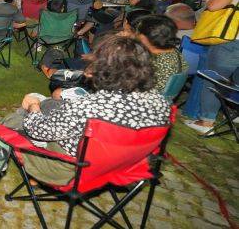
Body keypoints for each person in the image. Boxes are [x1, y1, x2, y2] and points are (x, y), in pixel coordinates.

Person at [16, 35, 170, 185]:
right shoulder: (161, 104)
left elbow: (37, 130)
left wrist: (33, 105)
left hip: (71, 168)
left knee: (20, 116)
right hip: (125, 166)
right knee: (54, 104)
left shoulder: (89, 106)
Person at [185, 0, 239, 133]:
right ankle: (236, 113)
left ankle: (206, 122)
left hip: (232, 39)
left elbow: (215, 5)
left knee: (214, 78)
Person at [132, 15, 188, 93]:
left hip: (149, 96)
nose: (135, 34)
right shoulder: (173, 50)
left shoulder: (158, 62)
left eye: (138, 32)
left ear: (144, 38)